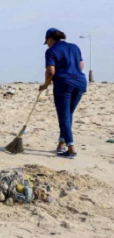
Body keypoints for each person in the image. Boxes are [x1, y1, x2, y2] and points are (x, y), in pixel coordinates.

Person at [39, 28, 87, 159]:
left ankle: (71, 149)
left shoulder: (51, 51)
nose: (47, 44)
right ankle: (61, 144)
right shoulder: (74, 47)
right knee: (68, 114)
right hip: (80, 83)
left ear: (50, 39)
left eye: (47, 41)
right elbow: (81, 66)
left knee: (64, 116)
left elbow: (51, 72)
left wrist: (45, 85)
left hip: (63, 84)